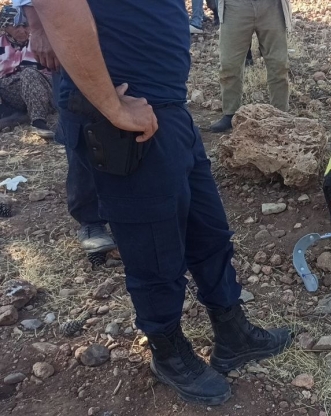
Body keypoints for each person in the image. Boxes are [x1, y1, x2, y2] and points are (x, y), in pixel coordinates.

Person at [33, 0, 291, 406]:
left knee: (209, 232)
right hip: (125, 118)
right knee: (154, 251)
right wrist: (111, 105)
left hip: (167, 108)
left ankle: (232, 333)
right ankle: (168, 353)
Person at [12, 1, 116, 259]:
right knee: (80, 118)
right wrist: (38, 27)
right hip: (70, 23)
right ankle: (91, 220)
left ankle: (138, 209)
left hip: (126, 26)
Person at [210, 0, 292, 132]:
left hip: (272, 6)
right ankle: (230, 114)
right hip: (235, 6)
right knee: (229, 64)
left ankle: (281, 115)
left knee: (278, 64)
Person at [0, 6, 53, 138]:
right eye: (17, 27)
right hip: (11, 92)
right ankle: (10, 114)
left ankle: (38, 122)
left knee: (28, 73)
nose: (22, 31)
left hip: (43, 89)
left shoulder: (39, 41)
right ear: (6, 27)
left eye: (25, 26)